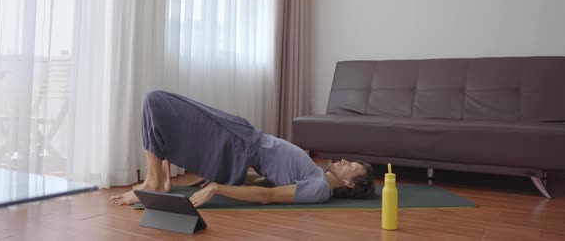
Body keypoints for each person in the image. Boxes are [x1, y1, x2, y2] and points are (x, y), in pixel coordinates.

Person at [110, 90, 375, 207]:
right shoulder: (316, 176)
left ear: (350, 185)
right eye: (350, 161)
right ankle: (155, 179)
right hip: (243, 139)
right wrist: (228, 178)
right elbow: (269, 180)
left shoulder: (319, 188)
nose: (344, 161)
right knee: (158, 104)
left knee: (156, 100)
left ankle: (155, 182)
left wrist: (218, 188)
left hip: (239, 145)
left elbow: (267, 196)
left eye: (352, 166)